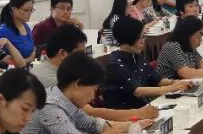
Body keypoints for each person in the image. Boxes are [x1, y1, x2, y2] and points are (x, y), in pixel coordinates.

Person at [30, 25, 158, 121]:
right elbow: (90, 112)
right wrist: (137, 113)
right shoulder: (51, 79)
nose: (83, 59)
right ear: (63, 53)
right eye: (80, 54)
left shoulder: (58, 70)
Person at [22, 53, 135, 134]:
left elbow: (92, 124)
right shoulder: (50, 106)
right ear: (78, 84)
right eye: (94, 89)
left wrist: (133, 125)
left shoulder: (66, 99)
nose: (94, 96)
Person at [101, 18, 190, 109]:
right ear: (128, 37)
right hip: (127, 111)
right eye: (140, 37)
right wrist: (171, 88)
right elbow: (137, 91)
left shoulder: (136, 57)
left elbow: (156, 80)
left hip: (142, 107)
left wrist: (174, 82)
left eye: (144, 36)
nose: (143, 41)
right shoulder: (115, 64)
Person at [30, 24, 87, 88]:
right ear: (62, 53)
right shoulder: (57, 83)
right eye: (80, 53)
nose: (84, 57)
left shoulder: (40, 69)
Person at [0, 0, 37, 64]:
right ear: (14, 9)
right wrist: (29, 59)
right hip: (15, 69)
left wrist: (32, 56)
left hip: (29, 65)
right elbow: (1, 59)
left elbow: (33, 49)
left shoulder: (25, 26)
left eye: (31, 10)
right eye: (26, 10)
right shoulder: (3, 31)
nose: (29, 13)